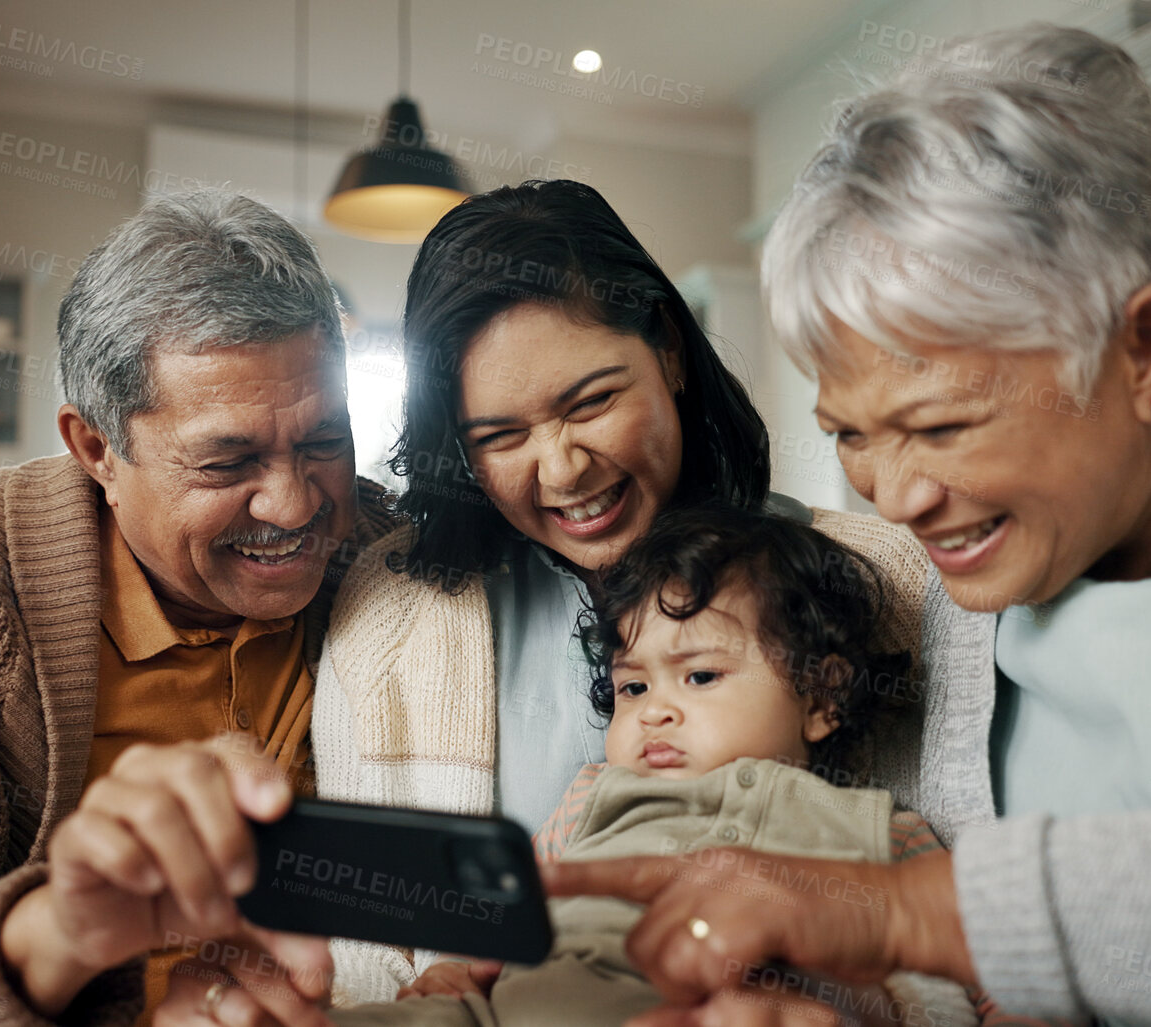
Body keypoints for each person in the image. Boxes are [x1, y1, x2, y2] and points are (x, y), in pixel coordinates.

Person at [545, 24, 1151, 1026]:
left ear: (1146, 348)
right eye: (850, 434)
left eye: (941, 425)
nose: (893, 498)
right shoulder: (958, 578)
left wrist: (922, 911)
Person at [0, 189, 398, 1027]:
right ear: (96, 449)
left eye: (323, 441)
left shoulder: (394, 557)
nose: (296, 506)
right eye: (227, 463)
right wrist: (58, 935)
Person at [310, 180, 934, 1006]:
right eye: (499, 436)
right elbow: (368, 951)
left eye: (591, 402)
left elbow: (961, 935)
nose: (563, 468)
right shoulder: (389, 619)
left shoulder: (882, 579)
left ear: (669, 351)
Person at [326, 501, 978, 1027]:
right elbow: (512, 909)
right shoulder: (593, 795)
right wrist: (456, 970)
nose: (652, 711)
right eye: (633, 687)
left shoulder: (878, 826)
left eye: (698, 675)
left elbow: (969, 968)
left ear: (821, 696)